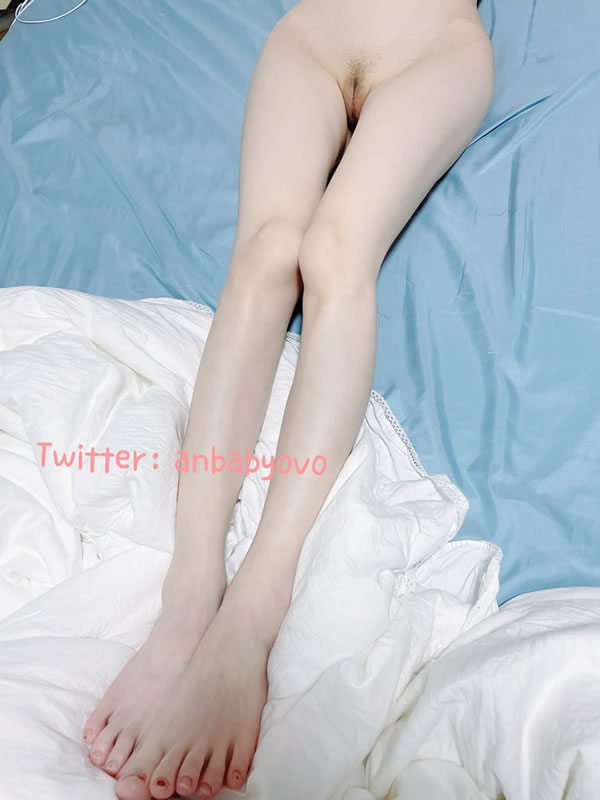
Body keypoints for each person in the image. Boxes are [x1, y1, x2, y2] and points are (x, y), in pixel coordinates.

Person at [82, 0, 494, 797]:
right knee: (268, 254)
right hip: (316, 33)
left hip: (436, 46)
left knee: (336, 254)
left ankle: (254, 612)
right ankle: (188, 595)